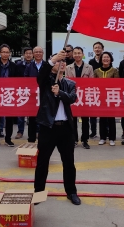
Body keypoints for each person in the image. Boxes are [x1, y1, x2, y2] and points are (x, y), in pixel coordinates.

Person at [34, 50, 80, 206]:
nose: (62, 63)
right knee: (42, 162)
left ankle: (71, 192)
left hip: (65, 128)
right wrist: (53, 59)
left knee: (69, 162)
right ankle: (38, 192)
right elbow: (41, 75)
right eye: (59, 61)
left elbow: (72, 98)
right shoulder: (46, 81)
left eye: (64, 61)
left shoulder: (70, 84)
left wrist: (59, 92)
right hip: (48, 127)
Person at [64, 46, 94, 149]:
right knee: (73, 120)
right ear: (73, 55)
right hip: (72, 96)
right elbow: (67, 82)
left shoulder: (89, 67)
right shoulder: (68, 67)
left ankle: (85, 140)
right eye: (75, 53)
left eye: (79, 53)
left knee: (85, 120)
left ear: (83, 54)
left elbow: (91, 82)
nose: (77, 55)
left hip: (84, 96)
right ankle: (74, 140)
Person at [0, 44, 17, 148]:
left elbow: (18, 80)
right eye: (3, 52)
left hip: (9, 94)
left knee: (9, 118)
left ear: (9, 54)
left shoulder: (14, 66)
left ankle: (8, 139)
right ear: (0, 53)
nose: (5, 54)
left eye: (7, 52)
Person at [94, 51, 119, 146]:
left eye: (107, 57)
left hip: (111, 97)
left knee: (111, 118)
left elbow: (117, 83)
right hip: (100, 97)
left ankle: (112, 138)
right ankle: (102, 137)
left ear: (110, 59)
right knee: (102, 118)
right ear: (101, 59)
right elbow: (93, 83)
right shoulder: (96, 71)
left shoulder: (115, 70)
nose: (105, 59)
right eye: (104, 57)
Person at [23, 46, 46, 142]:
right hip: (32, 96)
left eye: (40, 52)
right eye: (36, 52)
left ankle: (43, 137)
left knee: (43, 117)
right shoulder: (29, 66)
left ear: (43, 53)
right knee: (32, 117)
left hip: (44, 95)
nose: (38, 54)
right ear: (33, 54)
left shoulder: (46, 65)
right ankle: (31, 138)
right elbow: (25, 79)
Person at [15, 47, 34, 139]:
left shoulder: (35, 65)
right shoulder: (18, 65)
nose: (28, 55)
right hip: (21, 91)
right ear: (24, 55)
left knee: (33, 113)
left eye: (30, 53)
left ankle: (36, 131)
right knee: (21, 113)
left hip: (33, 92)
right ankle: (20, 131)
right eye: (27, 53)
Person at [88, 41, 104, 137]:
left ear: (102, 49)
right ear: (93, 50)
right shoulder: (91, 62)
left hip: (104, 89)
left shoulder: (106, 60)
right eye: (95, 48)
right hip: (93, 89)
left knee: (104, 112)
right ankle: (93, 132)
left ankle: (105, 132)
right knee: (92, 112)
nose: (97, 49)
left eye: (99, 47)